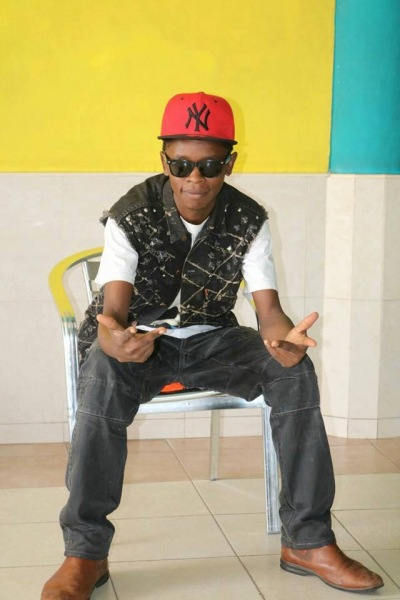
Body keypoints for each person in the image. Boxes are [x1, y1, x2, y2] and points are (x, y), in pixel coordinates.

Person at [41, 91, 383, 599]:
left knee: (293, 371)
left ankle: (308, 542)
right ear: (165, 162)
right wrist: (114, 343)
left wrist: (283, 340)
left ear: (230, 163)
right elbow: (113, 313)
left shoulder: (249, 218)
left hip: (213, 340)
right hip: (141, 342)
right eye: (181, 164)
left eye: (210, 165)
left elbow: (269, 311)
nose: (195, 179)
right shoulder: (130, 214)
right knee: (102, 377)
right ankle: (85, 554)